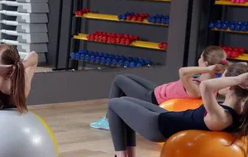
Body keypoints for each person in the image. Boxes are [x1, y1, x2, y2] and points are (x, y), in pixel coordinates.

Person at [99, 63, 248, 157]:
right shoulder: (247, 106)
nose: (221, 81)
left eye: (224, 78)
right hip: (165, 116)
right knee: (124, 102)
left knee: (114, 103)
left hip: (158, 127)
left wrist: (237, 78)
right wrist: (247, 77)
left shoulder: (221, 115)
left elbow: (205, 86)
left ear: (232, 86)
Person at [90, 46, 230, 131]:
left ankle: (109, 121)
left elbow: (182, 71)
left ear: (205, 63)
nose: (198, 59)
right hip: (158, 90)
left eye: (200, 58)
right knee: (126, 77)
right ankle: (113, 117)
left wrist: (207, 68)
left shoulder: (199, 88)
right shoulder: (214, 83)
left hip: (153, 98)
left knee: (119, 80)